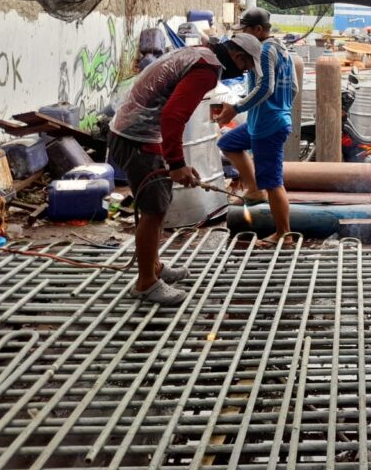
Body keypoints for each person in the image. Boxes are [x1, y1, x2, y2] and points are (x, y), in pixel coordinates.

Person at [109, 34, 261, 304]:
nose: (245, 71)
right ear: (237, 57)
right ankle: (146, 283)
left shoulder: (200, 53)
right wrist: (177, 164)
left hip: (137, 132)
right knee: (153, 210)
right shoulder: (207, 69)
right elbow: (173, 115)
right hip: (138, 137)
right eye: (247, 66)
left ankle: (154, 267)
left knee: (159, 204)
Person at [215, 7, 296, 248]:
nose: (243, 39)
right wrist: (281, 109)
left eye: (247, 31)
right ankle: (253, 190)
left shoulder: (263, 50)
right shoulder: (283, 49)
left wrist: (236, 108)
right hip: (265, 120)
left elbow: (264, 88)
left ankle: (284, 234)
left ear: (258, 30)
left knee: (273, 182)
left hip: (268, 125)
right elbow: (293, 88)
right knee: (228, 143)